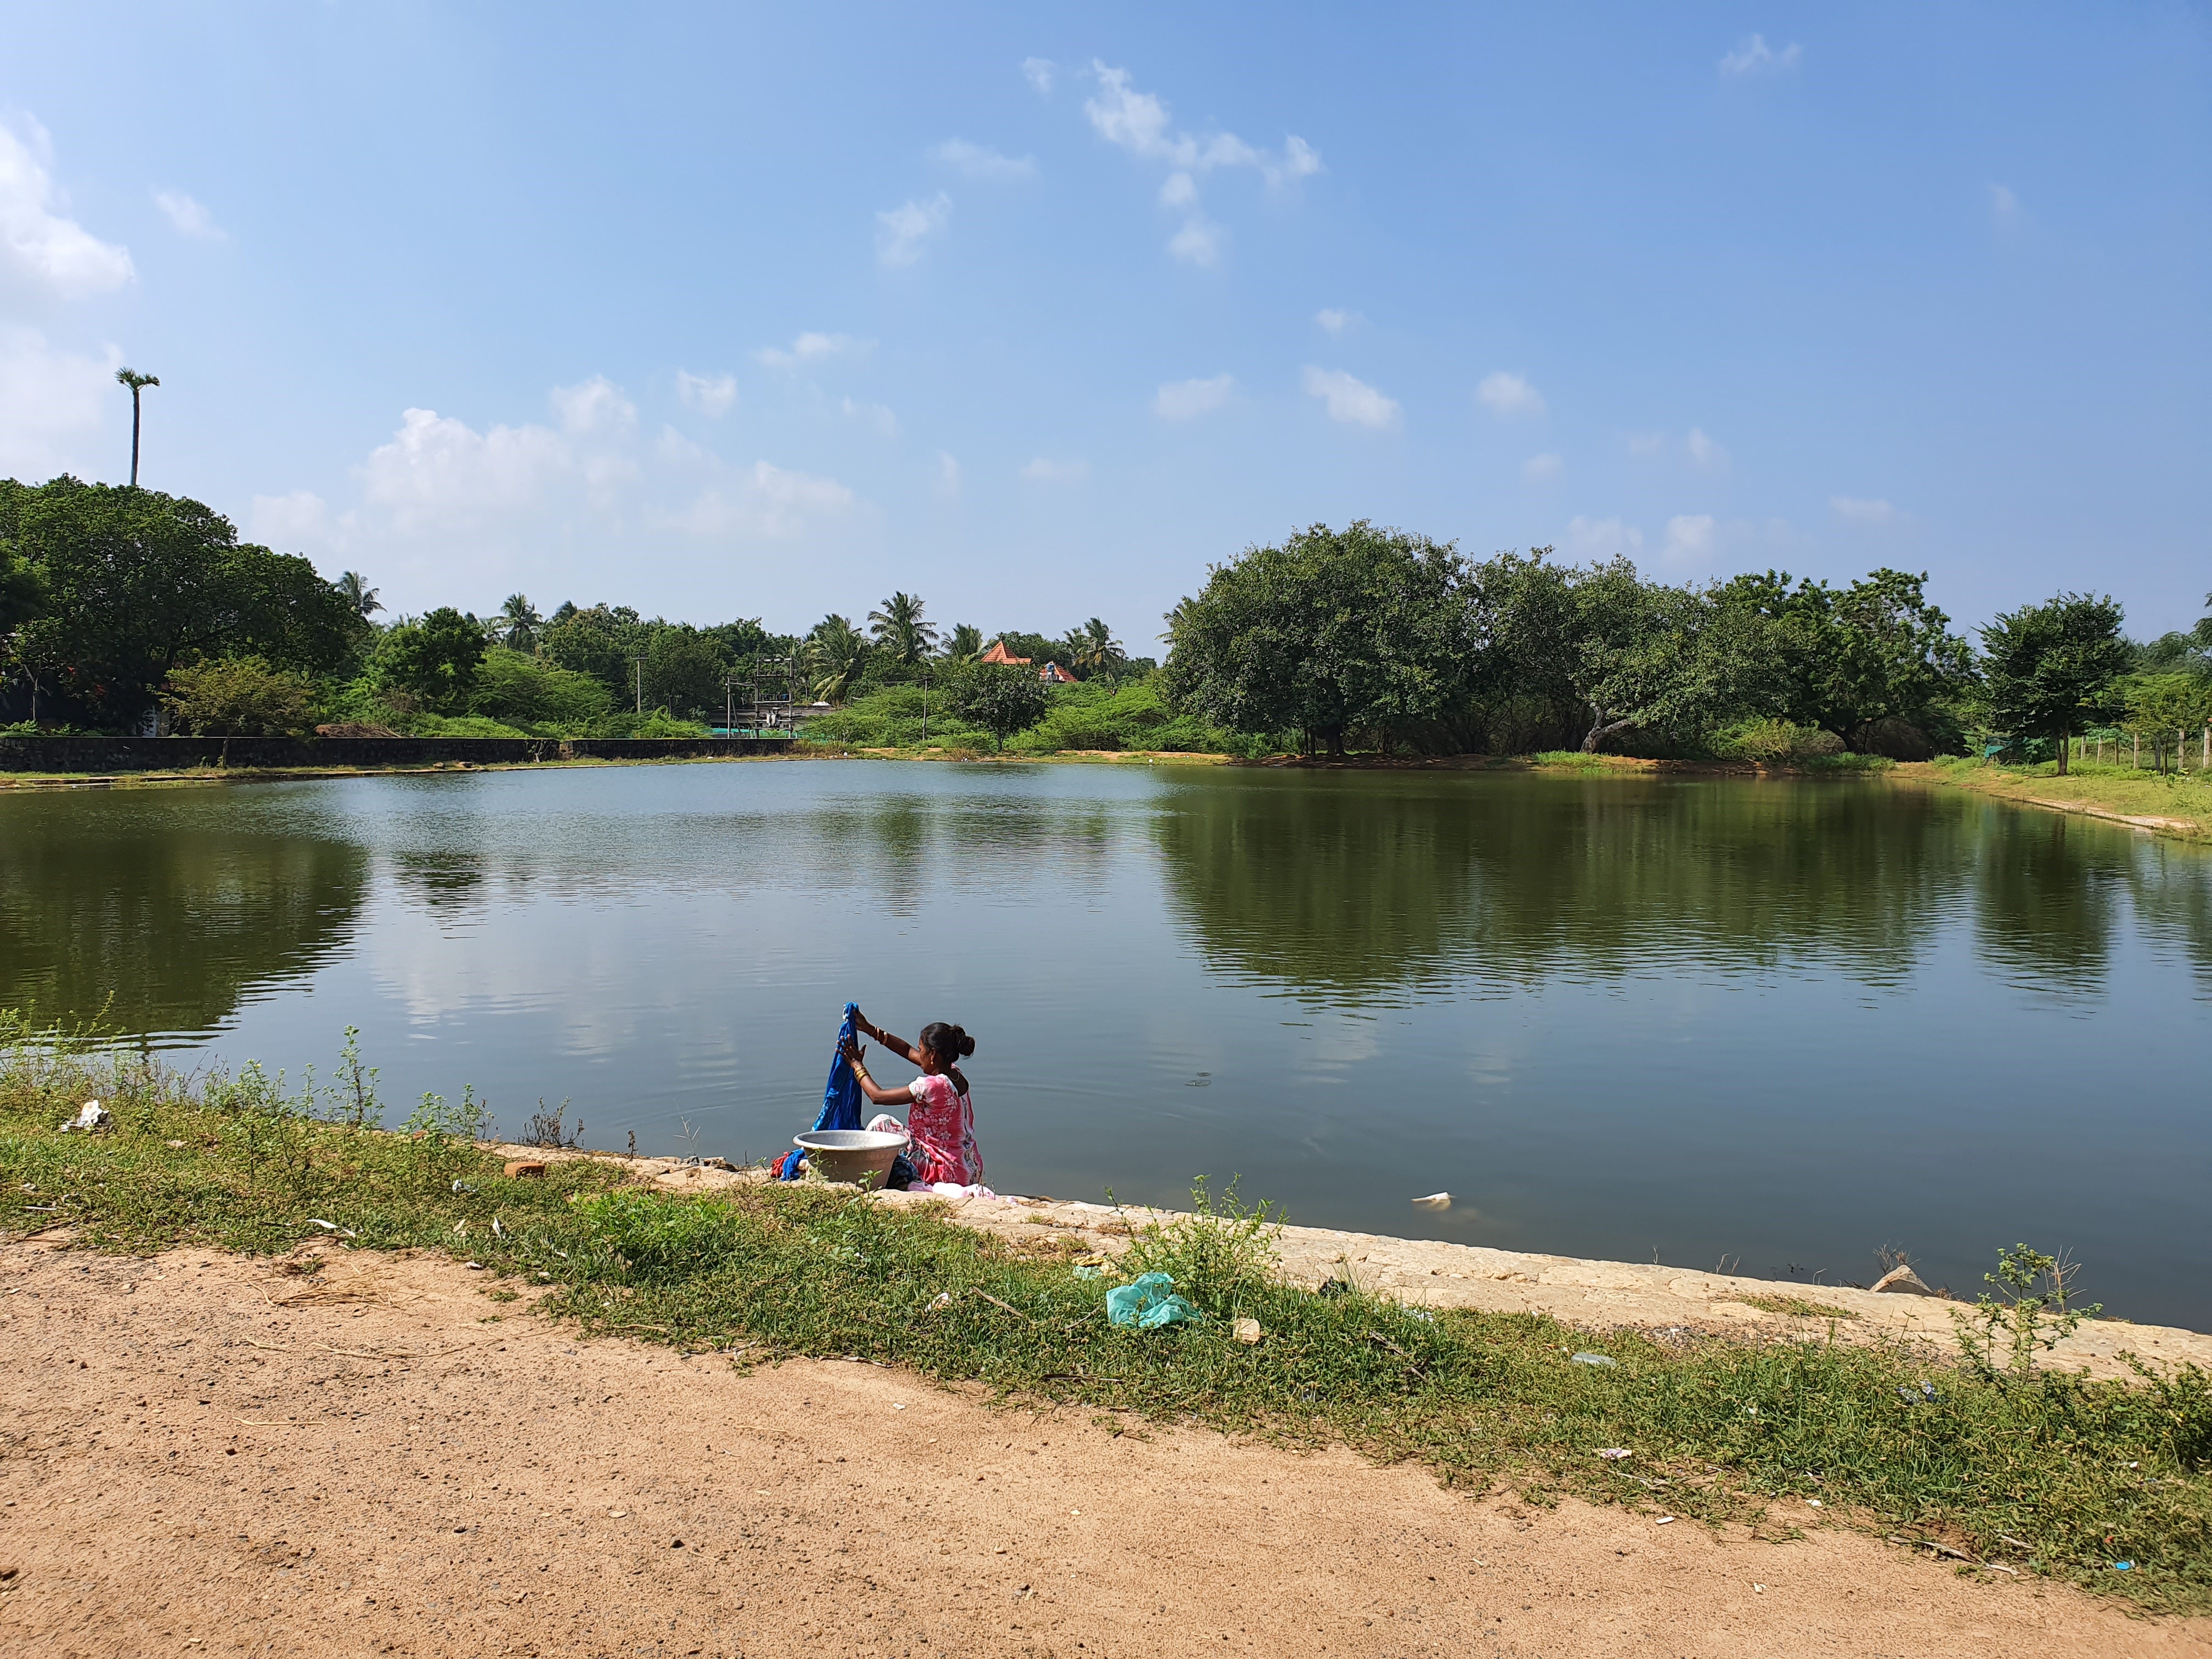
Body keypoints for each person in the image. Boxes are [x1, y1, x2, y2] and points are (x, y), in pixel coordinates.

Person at [840, 1009, 984, 1189]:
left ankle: (869, 1180)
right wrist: (870, 1029)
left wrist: (857, 1065)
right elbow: (908, 1051)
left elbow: (877, 1097)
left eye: (922, 1050)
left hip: (945, 1172)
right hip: (969, 1168)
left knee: (882, 1124)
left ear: (932, 1055)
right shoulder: (955, 1074)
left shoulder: (932, 1086)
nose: (918, 1054)